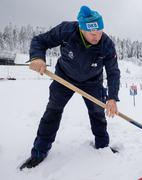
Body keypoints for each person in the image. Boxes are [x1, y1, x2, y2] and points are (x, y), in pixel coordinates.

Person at [20, 6, 120, 170]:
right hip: (64, 78)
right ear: (82, 29)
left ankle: (102, 147)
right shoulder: (67, 30)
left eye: (100, 31)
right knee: (52, 112)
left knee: (97, 114)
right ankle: (39, 152)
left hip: (92, 82)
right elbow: (40, 40)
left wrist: (112, 97)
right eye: (92, 33)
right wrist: (37, 57)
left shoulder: (106, 44)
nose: (97, 36)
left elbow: (113, 72)